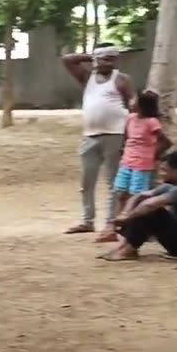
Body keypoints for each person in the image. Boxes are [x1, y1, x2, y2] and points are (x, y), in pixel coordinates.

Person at [61, 44, 135, 235]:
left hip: (115, 134)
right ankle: (87, 221)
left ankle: (111, 221)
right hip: (90, 135)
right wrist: (91, 56)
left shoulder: (122, 79)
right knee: (87, 181)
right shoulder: (87, 77)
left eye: (113, 58)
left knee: (113, 181)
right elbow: (67, 59)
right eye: (105, 58)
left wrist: (130, 133)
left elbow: (132, 104)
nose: (109, 62)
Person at [101, 150, 177, 262]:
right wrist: (125, 213)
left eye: (164, 170)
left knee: (153, 212)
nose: (160, 173)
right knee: (142, 207)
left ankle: (128, 250)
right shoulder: (170, 186)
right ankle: (124, 247)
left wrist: (128, 217)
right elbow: (140, 196)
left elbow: (150, 204)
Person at [102, 90, 171, 242]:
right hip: (127, 161)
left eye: (135, 100)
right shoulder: (130, 118)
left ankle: (136, 228)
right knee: (120, 193)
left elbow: (165, 142)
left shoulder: (152, 122)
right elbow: (127, 138)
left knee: (136, 196)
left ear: (141, 105)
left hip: (142, 164)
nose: (131, 102)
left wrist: (153, 155)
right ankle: (117, 226)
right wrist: (124, 151)